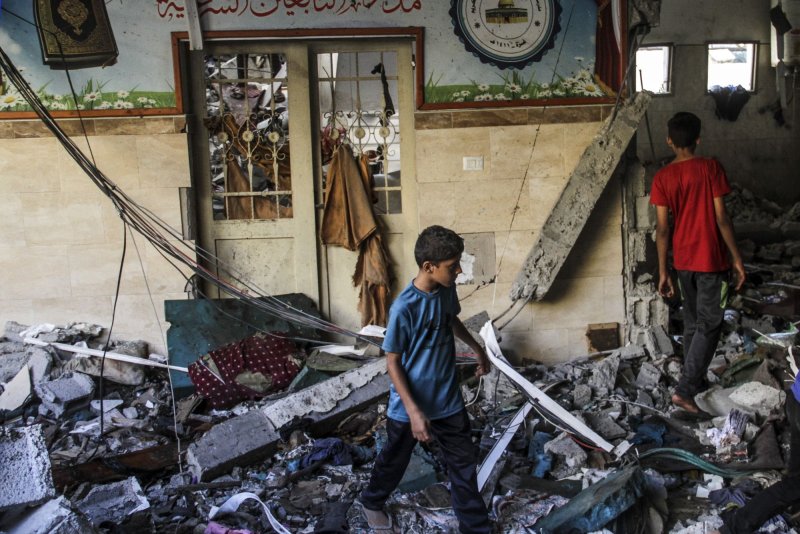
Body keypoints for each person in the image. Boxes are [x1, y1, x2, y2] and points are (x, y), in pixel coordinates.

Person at [357, 225, 492, 533]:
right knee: (395, 460)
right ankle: (372, 501)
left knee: (463, 465)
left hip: (447, 399)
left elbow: (451, 318)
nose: (458, 270)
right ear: (429, 267)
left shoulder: (446, 290)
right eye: (452, 265)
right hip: (409, 406)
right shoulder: (404, 307)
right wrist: (415, 412)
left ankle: (475, 527)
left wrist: (476, 349)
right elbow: (392, 362)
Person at [650, 111, 746, 414]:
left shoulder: (663, 177)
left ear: (669, 141)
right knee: (710, 323)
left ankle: (696, 381)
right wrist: (737, 258)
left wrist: (664, 271)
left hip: (683, 261)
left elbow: (662, 229)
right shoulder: (710, 168)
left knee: (693, 322)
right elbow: (721, 218)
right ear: (698, 139)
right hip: (710, 260)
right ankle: (686, 389)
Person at [713, 367, 800, 533]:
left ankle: (794, 510)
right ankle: (729, 530)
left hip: (797, 399)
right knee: (795, 484)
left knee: (795, 479)